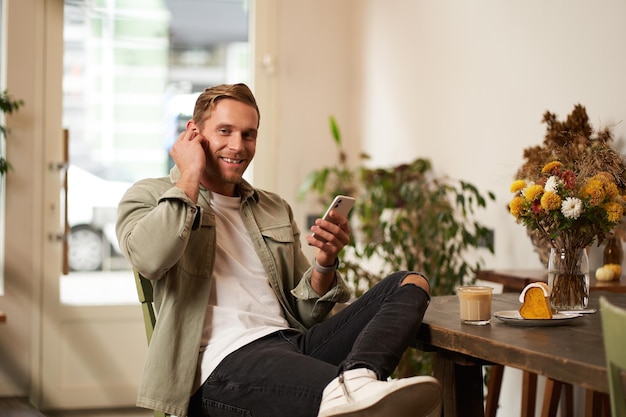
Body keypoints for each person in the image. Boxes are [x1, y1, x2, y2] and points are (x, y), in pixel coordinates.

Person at [116, 83, 442, 417]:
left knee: (410, 284)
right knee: (377, 406)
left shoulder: (272, 207)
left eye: (248, 135)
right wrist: (189, 175)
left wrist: (325, 263)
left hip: (292, 344)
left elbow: (303, 312)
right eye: (224, 131)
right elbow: (149, 258)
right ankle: (351, 390)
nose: (238, 146)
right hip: (220, 364)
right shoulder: (149, 196)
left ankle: (357, 378)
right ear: (193, 133)